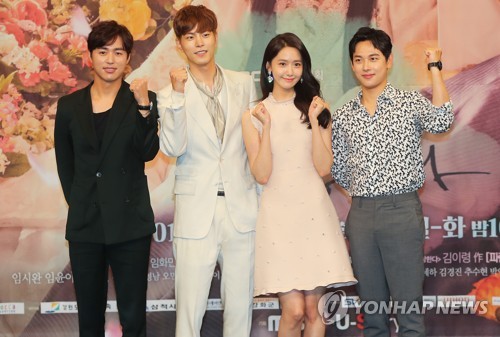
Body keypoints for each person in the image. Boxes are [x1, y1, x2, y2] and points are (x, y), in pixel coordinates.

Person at [331, 27, 454, 337]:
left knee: (408, 311)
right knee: (372, 313)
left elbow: (442, 120)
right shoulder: (344, 114)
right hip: (360, 215)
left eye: (373, 58)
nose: (366, 66)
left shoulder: (408, 102)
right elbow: (341, 171)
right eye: (359, 59)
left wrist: (435, 68)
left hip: (401, 211)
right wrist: (366, 195)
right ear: (352, 65)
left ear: (388, 61)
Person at [242, 32, 357, 337]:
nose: (289, 71)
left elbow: (323, 169)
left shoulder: (316, 108)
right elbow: (262, 174)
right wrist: (266, 127)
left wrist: (317, 122)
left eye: (296, 64)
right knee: (293, 312)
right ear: (269, 66)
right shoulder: (253, 116)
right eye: (282, 64)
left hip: (313, 214)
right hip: (278, 217)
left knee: (313, 311)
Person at [156, 5, 258, 337]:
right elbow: (171, 148)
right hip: (196, 208)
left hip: (240, 209)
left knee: (240, 308)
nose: (199, 43)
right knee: (189, 310)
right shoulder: (169, 94)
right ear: (179, 44)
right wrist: (178, 96)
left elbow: (252, 144)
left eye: (205, 34)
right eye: (190, 36)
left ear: (216, 37)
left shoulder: (243, 83)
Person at [54, 20, 159, 337]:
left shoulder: (143, 99)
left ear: (129, 59)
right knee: (89, 318)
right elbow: (65, 165)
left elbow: (148, 151)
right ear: (91, 57)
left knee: (133, 317)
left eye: (118, 52)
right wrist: (85, 202)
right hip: (86, 224)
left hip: (130, 223)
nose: (110, 59)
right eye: (103, 51)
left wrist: (143, 108)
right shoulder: (69, 106)